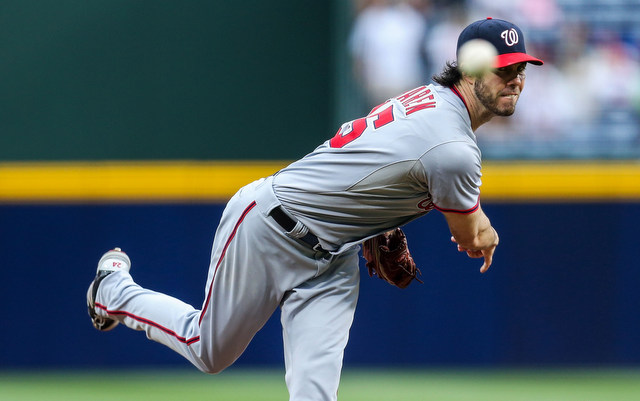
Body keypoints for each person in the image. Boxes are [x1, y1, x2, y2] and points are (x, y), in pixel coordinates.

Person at [87, 17, 542, 401]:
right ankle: (114, 290)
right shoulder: (454, 147)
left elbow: (384, 166)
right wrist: (487, 234)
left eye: (521, 67)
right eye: (503, 69)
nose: (515, 77)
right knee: (208, 350)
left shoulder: (432, 100)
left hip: (335, 255)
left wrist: (381, 221)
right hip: (269, 226)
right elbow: (471, 236)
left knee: (314, 393)